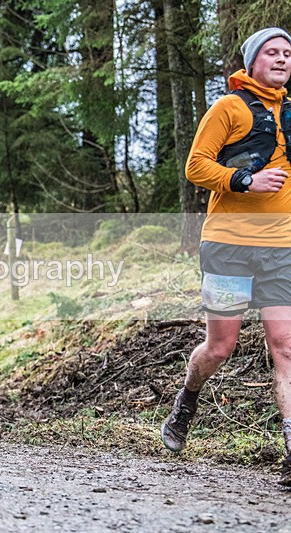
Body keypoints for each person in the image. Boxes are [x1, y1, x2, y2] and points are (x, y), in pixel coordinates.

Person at [161, 27, 291, 486]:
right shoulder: (228, 107)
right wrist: (245, 181)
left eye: (287, 54)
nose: (281, 59)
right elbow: (196, 166)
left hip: (281, 251)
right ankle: (188, 398)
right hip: (229, 247)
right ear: (253, 61)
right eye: (271, 53)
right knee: (222, 346)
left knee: (286, 346)